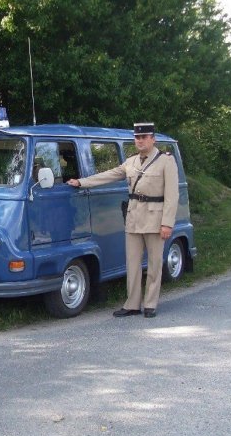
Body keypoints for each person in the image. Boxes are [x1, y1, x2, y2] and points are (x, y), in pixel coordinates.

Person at [66, 123, 178, 318]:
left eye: (144, 137)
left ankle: (150, 303)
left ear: (153, 139)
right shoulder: (131, 162)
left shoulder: (166, 161)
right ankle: (133, 304)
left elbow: (172, 195)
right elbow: (109, 175)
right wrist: (82, 182)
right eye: (137, 138)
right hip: (134, 218)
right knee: (132, 264)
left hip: (155, 218)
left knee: (154, 263)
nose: (140, 141)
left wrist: (167, 223)